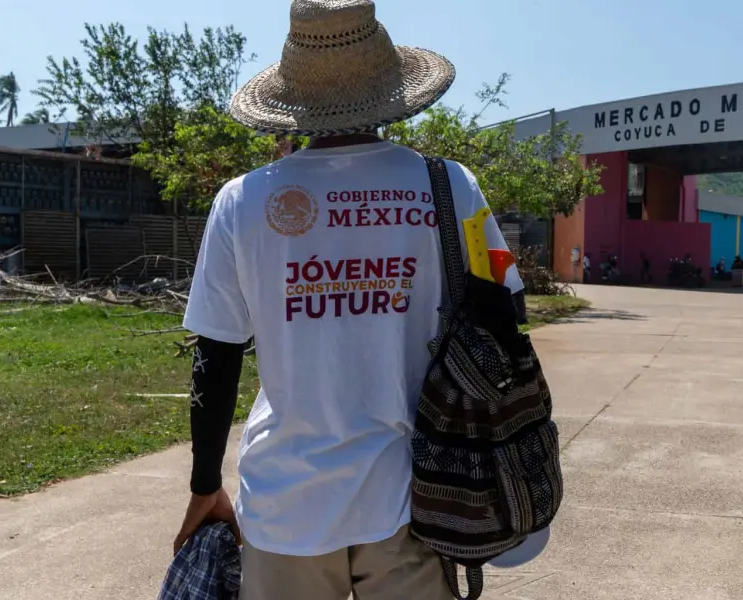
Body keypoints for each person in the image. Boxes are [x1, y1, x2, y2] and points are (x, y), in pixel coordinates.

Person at [173, 3, 527, 598]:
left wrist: (205, 483)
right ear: (389, 86)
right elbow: (508, 320)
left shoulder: (242, 201)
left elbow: (218, 355)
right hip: (420, 497)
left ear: (295, 97)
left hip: (286, 508)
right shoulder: (451, 188)